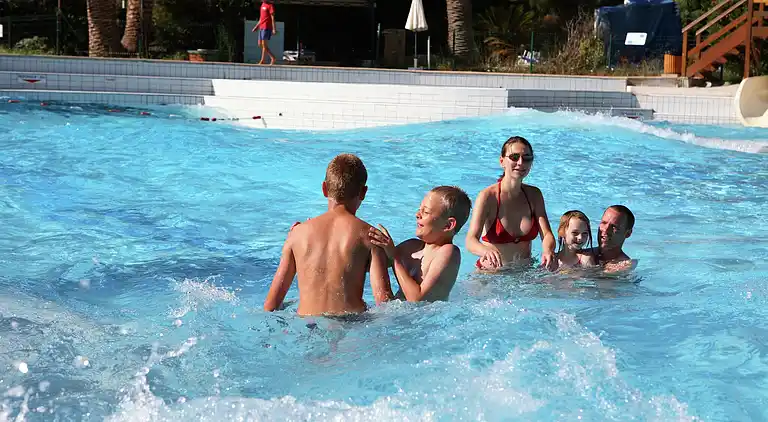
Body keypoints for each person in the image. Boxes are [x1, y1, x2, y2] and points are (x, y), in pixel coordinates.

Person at [263, 154, 393, 316]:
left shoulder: (297, 234)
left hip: (305, 325)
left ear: (324, 188)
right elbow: (385, 305)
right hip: (350, 326)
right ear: (363, 192)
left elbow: (270, 305)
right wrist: (394, 258)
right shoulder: (371, 237)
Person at [465, 136, 557, 271]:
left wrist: (548, 250)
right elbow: (470, 241)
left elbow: (547, 234)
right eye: (514, 157)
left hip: (525, 272)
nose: (520, 162)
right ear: (502, 161)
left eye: (526, 158)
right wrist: (485, 251)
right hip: (492, 274)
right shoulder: (487, 197)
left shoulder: (534, 195)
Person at [368, 186, 471, 302]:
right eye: (419, 209)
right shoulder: (411, 247)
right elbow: (369, 265)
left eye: (425, 212)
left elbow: (417, 299)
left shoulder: (448, 252)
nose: (417, 214)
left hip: (425, 317)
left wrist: (395, 258)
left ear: (448, 225)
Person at [597, 205, 637, 273]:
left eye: (614, 226)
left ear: (628, 233)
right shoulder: (583, 254)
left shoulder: (624, 266)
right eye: (604, 223)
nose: (606, 229)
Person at [252, 0, 277, 65]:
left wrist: (274, 29)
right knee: (260, 44)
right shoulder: (262, 5)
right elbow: (261, 18)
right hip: (261, 27)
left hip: (266, 27)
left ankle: (262, 60)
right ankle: (273, 57)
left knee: (264, 45)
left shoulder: (270, 6)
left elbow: (272, 18)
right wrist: (256, 26)